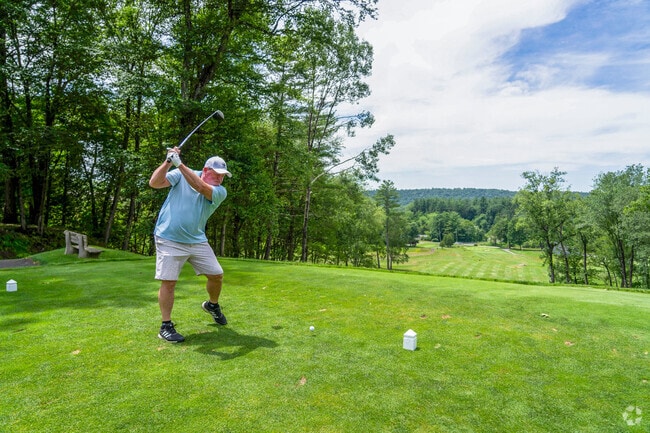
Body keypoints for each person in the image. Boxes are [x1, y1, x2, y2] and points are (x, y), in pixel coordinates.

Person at [148, 146, 232, 343]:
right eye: (217, 174)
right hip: (169, 237)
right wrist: (168, 162)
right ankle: (165, 326)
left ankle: (212, 305)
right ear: (205, 170)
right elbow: (155, 182)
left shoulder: (220, 191)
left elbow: (201, 188)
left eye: (222, 176)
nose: (220, 179)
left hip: (196, 240)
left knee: (217, 275)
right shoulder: (180, 173)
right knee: (169, 282)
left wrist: (179, 163)